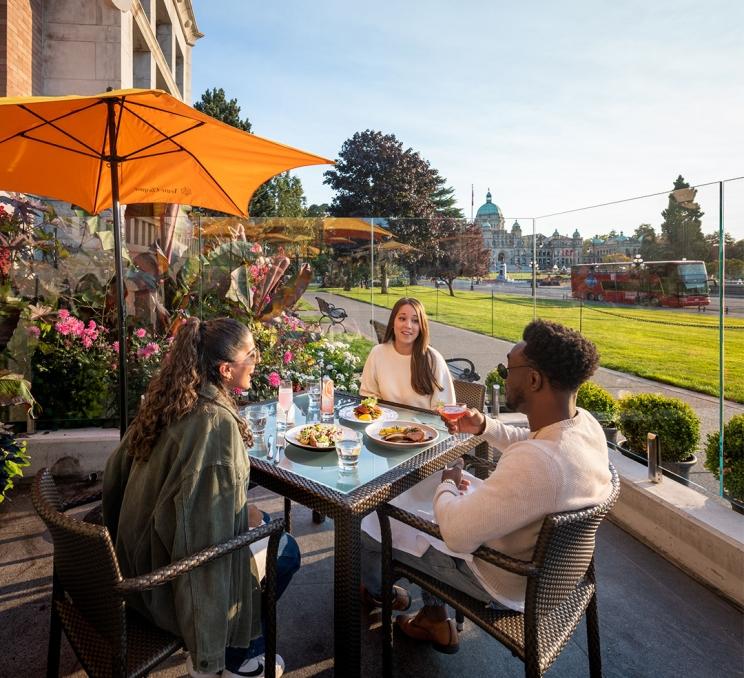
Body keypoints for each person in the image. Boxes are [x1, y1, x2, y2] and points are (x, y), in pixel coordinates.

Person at [361, 319, 612, 654]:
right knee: (424, 507)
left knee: (370, 525)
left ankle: (384, 595)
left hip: (499, 581)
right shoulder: (582, 427)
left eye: (508, 369)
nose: (505, 376)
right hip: (553, 576)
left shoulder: (539, 464)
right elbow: (531, 441)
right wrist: (485, 426)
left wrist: (447, 482)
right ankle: (434, 617)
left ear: (534, 379)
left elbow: (455, 534)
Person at [102, 317, 300, 678]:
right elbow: (206, 544)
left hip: (132, 558)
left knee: (263, 523)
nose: (258, 361)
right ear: (226, 369)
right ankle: (236, 656)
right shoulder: (214, 423)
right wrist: (206, 647)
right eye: (251, 355)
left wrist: (242, 512)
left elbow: (116, 475)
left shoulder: (169, 398)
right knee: (285, 549)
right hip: (161, 582)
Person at [360, 297, 455, 410]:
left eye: (415, 321)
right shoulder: (377, 353)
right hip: (384, 424)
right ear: (392, 322)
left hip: (423, 427)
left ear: (421, 327)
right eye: (402, 318)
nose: (408, 325)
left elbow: (444, 407)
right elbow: (368, 395)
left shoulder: (433, 359)